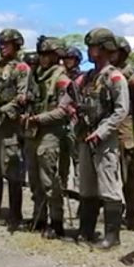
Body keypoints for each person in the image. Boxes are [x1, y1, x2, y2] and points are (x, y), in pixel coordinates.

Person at [70, 28, 129, 249]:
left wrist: (102, 132)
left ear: (104, 49)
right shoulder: (86, 77)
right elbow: (69, 97)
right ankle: (86, 230)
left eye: (93, 47)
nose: (89, 51)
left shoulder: (115, 77)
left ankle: (112, 236)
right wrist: (71, 112)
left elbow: (121, 111)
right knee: (86, 186)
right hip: (85, 136)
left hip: (105, 140)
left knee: (109, 187)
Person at [0, 29, 31, 229]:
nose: (2, 47)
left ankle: (15, 212)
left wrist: (3, 110)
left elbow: (22, 96)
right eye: (0, 43)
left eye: (7, 43)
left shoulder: (21, 68)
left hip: (9, 124)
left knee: (11, 168)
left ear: (16, 45)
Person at [24, 37, 73, 237]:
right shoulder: (35, 76)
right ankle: (39, 218)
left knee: (51, 181)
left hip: (52, 134)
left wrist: (39, 118)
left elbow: (64, 110)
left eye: (48, 55)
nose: (43, 59)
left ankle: (57, 222)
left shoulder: (62, 79)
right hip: (33, 132)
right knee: (34, 180)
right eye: (41, 55)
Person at [113, 36, 134, 230]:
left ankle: (132, 216)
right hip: (110, 126)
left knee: (128, 174)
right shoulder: (109, 73)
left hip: (125, 128)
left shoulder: (131, 77)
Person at [58, 46, 83, 197]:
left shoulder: (81, 78)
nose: (68, 62)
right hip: (60, 120)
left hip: (75, 121)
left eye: (71, 59)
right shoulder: (59, 76)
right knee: (62, 157)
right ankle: (61, 188)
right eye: (66, 59)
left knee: (78, 158)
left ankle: (80, 190)